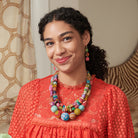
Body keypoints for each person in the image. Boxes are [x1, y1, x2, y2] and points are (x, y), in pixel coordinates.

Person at [8, 7, 134, 138]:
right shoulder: (29, 92)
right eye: (50, 43)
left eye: (66, 39)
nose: (58, 50)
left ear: (85, 38)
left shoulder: (112, 98)